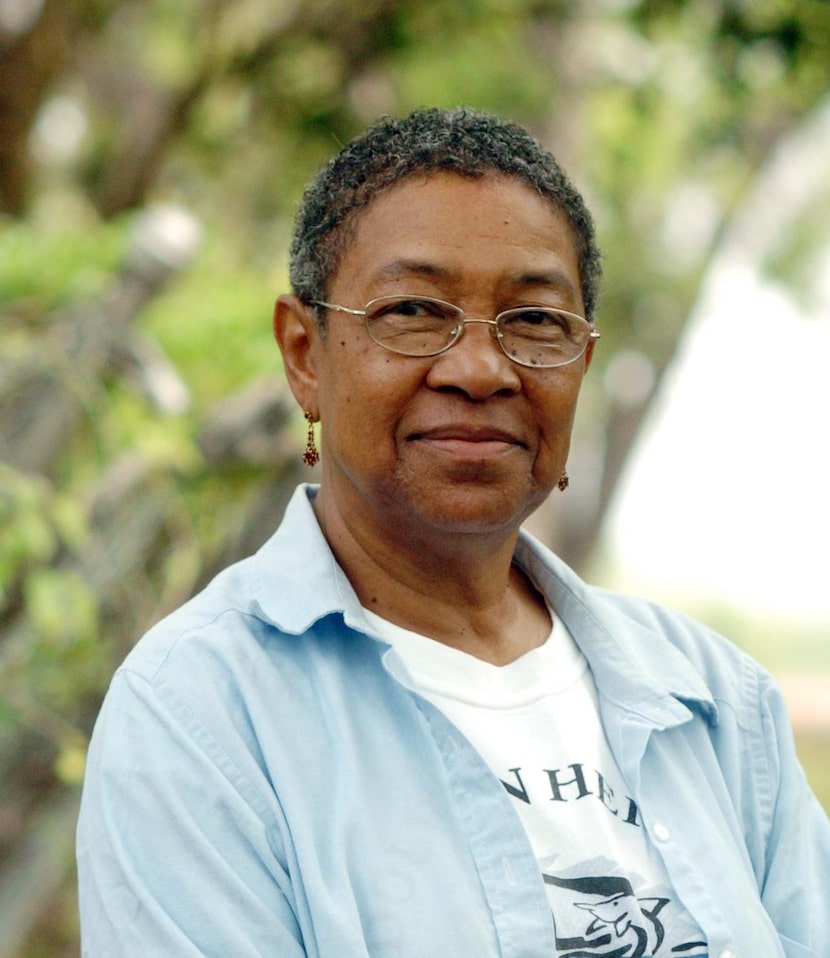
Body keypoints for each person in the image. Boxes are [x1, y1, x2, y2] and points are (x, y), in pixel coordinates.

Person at [76, 107, 830, 957]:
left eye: (537, 321)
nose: (479, 369)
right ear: (302, 353)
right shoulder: (202, 719)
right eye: (412, 311)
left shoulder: (715, 703)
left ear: (583, 361)